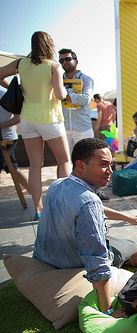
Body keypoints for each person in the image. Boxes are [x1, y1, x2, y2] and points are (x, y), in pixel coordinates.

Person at [33, 138, 137, 316]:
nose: (110, 171)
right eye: (104, 165)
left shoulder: (57, 184)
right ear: (81, 166)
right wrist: (108, 310)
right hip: (72, 264)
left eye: (111, 165)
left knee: (114, 241)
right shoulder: (89, 202)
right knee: (128, 244)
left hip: (46, 257)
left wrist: (129, 218)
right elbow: (96, 259)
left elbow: (86, 206)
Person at [0, 31, 71, 220]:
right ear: (49, 45)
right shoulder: (54, 67)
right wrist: (64, 88)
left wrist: (14, 88)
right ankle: (60, 206)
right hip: (50, 119)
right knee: (64, 161)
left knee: (34, 166)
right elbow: (60, 95)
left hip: (27, 119)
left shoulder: (20, 63)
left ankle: (38, 209)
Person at [59, 48, 95, 151]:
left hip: (83, 129)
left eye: (68, 59)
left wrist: (63, 96)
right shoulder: (57, 80)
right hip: (63, 128)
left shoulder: (87, 79)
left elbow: (86, 99)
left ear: (76, 61)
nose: (64, 62)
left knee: (86, 162)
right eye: (61, 60)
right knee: (65, 162)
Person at [0, 91, 29, 191]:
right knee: (14, 169)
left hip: (7, 138)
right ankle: (33, 193)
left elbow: (18, 118)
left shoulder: (5, 95)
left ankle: (34, 194)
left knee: (13, 169)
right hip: (6, 137)